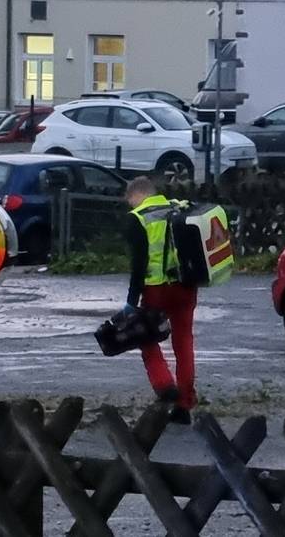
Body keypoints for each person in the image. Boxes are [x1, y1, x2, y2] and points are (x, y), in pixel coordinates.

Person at [122, 175, 196, 421]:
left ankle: (165, 386)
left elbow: (139, 265)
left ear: (136, 194)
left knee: (147, 339)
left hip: (156, 289)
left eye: (130, 201)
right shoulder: (179, 208)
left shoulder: (139, 218)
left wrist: (131, 302)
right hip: (186, 285)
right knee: (183, 342)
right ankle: (184, 405)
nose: (131, 206)